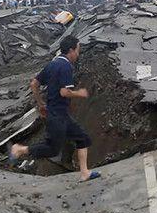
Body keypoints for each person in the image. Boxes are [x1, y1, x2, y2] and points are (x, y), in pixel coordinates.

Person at [9, 35, 101, 182]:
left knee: (83, 139)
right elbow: (64, 92)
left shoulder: (53, 64)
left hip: (58, 113)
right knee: (52, 149)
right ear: (71, 50)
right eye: (78, 50)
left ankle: (85, 173)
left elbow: (34, 84)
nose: (78, 54)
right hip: (58, 115)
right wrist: (80, 93)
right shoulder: (66, 66)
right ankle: (19, 149)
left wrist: (40, 104)